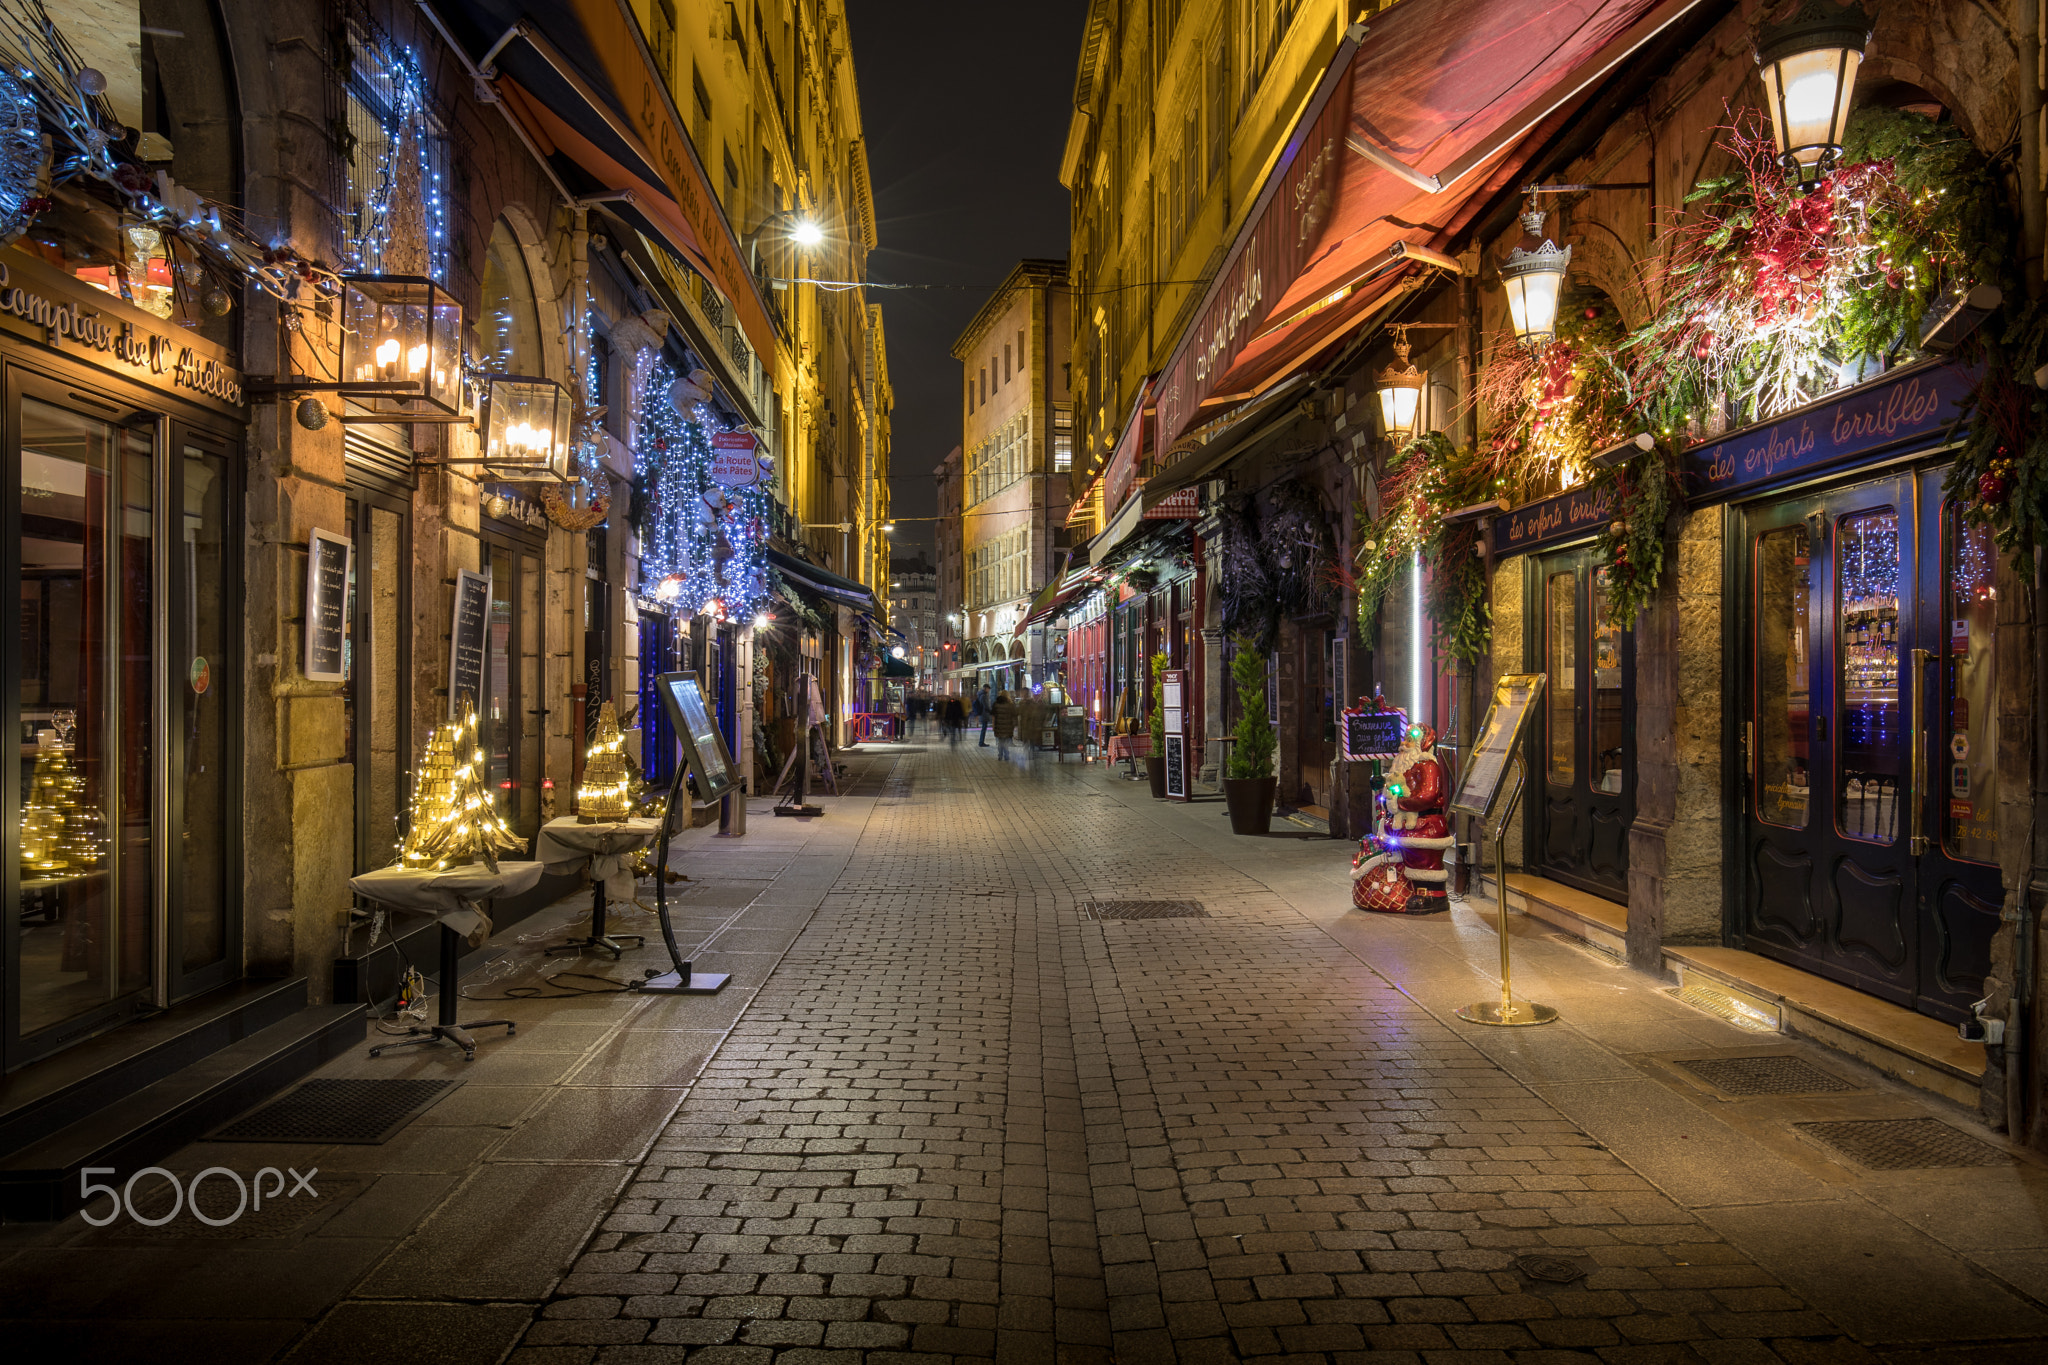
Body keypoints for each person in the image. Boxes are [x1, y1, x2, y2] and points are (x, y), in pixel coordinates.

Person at [991, 690, 1017, 758]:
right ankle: (1006, 755)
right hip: (1008, 726)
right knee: (1006, 741)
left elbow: (993, 715)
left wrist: (993, 725)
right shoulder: (1010, 705)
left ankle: (1000, 755)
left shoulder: (996, 704)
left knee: (1000, 741)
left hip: (998, 726)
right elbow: (1014, 716)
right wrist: (1013, 725)